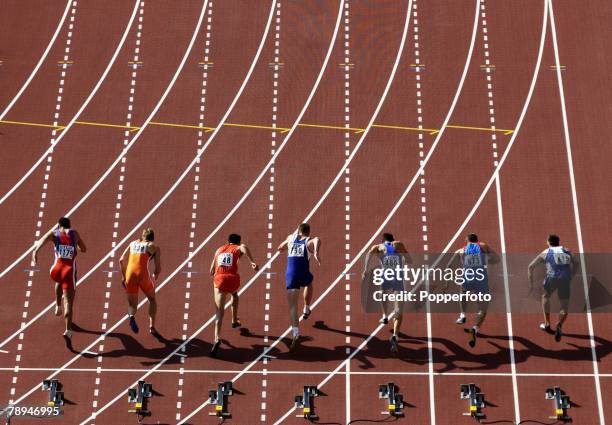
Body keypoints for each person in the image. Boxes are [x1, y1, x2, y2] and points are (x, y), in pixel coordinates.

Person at [32, 217, 87, 340]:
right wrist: (77, 247)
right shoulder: (74, 234)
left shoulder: (54, 234)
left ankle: (57, 306)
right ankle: (68, 330)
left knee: (59, 281)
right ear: (69, 225)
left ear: (59, 225)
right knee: (69, 301)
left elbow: (42, 241)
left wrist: (35, 252)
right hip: (68, 272)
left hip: (55, 271)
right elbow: (84, 249)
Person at [209, 233, 258, 357]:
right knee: (235, 295)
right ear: (238, 242)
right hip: (232, 279)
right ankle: (234, 320)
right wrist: (252, 261)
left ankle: (216, 338)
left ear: (227, 241)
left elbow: (211, 271)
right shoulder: (238, 248)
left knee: (219, 312)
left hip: (219, 280)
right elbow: (244, 247)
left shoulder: (219, 250)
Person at [363, 233, 410, 354]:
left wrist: (365, 269)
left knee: (382, 293)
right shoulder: (398, 244)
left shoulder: (378, 247)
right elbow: (409, 259)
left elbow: (368, 255)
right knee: (398, 310)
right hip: (397, 278)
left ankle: (384, 316)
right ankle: (395, 335)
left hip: (386, 276)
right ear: (392, 239)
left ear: (382, 240)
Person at [278, 223, 321, 352]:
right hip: (303, 273)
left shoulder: (291, 239)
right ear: (308, 232)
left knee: (292, 308)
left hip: (291, 275)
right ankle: (307, 308)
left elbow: (279, 248)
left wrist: (285, 247)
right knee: (309, 283)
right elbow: (317, 239)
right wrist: (316, 253)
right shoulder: (308, 241)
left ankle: (295, 333)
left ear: (298, 231)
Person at [446, 233, 494, 347]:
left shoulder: (460, 251)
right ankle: (475, 328)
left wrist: (448, 283)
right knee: (483, 307)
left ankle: (462, 315)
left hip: (467, 278)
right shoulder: (483, 247)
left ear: (466, 241)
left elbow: (449, 266)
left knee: (462, 294)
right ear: (477, 240)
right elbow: (496, 259)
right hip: (481, 279)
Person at [528, 234, 577, 342]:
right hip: (564, 280)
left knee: (545, 296)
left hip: (551, 279)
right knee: (564, 305)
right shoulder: (567, 251)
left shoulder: (546, 252)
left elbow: (530, 266)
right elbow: (577, 263)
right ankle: (559, 324)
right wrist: (571, 275)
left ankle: (547, 324)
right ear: (558, 242)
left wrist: (531, 284)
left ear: (548, 242)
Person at [119, 228, 161, 335]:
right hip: (142, 274)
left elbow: (121, 260)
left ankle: (131, 316)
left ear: (142, 236)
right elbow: (157, 268)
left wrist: (124, 277)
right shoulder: (153, 246)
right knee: (152, 299)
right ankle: (152, 327)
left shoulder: (132, 243)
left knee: (132, 305)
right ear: (152, 239)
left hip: (129, 274)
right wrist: (156, 274)